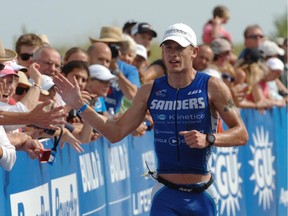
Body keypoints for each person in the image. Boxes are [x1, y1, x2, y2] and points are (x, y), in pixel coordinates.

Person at [54, 23, 248, 215]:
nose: (173, 54)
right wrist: (80, 105)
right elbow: (116, 132)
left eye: (180, 48)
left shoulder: (212, 86)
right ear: (162, 52)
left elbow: (241, 134)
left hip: (201, 194)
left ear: (194, 51)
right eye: (168, 48)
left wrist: (209, 139)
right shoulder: (150, 90)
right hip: (165, 195)